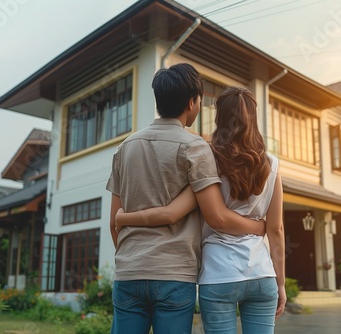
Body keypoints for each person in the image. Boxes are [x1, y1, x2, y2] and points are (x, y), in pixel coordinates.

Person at [106, 64, 265, 334]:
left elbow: (114, 222)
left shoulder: (126, 147)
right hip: (174, 274)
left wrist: (131, 258)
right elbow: (216, 216)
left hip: (129, 272)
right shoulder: (196, 148)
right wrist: (259, 226)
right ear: (192, 102)